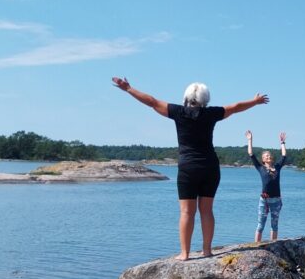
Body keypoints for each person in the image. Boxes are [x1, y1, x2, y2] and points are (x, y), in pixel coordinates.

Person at [112, 77, 268, 260]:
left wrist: (129, 88)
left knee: (187, 212)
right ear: (205, 98)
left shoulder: (178, 112)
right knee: (207, 210)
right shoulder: (211, 113)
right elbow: (235, 107)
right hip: (210, 166)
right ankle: (207, 250)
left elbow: (152, 102)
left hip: (188, 167)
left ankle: (185, 253)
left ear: (186, 97)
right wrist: (255, 102)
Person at [246, 130, 288, 242]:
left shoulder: (277, 167)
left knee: (274, 225)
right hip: (264, 200)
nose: (268, 156)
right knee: (260, 225)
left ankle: (273, 244)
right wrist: (250, 140)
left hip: (276, 200)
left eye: (269, 155)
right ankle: (256, 246)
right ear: (263, 160)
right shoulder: (260, 168)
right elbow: (251, 154)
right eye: (266, 155)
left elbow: (284, 156)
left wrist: (282, 143)